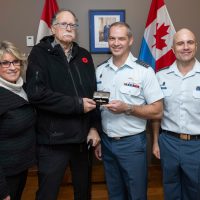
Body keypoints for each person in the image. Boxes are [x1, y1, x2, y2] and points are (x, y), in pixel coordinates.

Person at [25, 9, 101, 200]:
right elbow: (36, 94)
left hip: (82, 141)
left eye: (72, 25)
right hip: (53, 142)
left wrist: (93, 127)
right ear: (52, 28)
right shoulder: (39, 54)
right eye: (63, 24)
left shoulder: (84, 55)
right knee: (47, 194)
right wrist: (76, 104)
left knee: (83, 193)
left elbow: (92, 94)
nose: (69, 28)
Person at [95, 22, 163, 200]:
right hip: (107, 143)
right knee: (114, 193)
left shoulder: (144, 71)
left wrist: (128, 108)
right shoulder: (100, 71)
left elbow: (157, 111)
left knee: (136, 194)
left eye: (121, 38)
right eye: (112, 38)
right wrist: (100, 138)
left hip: (132, 144)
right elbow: (98, 109)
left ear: (130, 40)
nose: (116, 43)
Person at [152, 28, 200, 200]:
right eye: (180, 43)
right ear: (173, 48)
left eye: (190, 42)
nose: (185, 47)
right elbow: (157, 113)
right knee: (170, 189)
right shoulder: (160, 76)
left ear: (196, 46)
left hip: (196, 145)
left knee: (195, 191)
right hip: (168, 143)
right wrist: (156, 141)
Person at [0, 41, 36, 200]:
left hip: (20, 167)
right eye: (5, 63)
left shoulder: (25, 88)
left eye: (16, 62)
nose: (12, 67)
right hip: (4, 174)